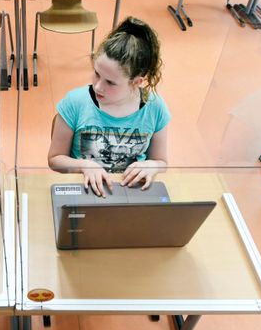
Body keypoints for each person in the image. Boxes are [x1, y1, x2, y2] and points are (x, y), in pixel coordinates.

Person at [48, 17, 171, 196]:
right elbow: (54, 159)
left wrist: (151, 166)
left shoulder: (155, 108)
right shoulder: (75, 102)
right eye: (96, 74)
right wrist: (84, 165)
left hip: (131, 191)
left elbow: (161, 161)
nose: (98, 86)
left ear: (137, 82)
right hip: (85, 189)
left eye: (111, 83)